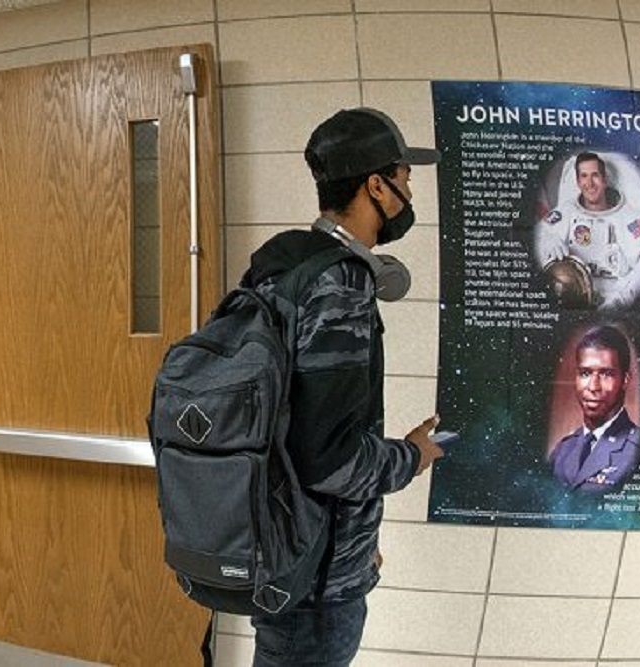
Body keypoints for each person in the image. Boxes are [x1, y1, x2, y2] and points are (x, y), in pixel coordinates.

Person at [240, 107, 445, 666]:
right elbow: (328, 461)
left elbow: (295, 426)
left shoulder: (281, 265)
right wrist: (412, 456)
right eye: (403, 177)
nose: (408, 192)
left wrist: (357, 545)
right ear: (376, 186)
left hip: (285, 553)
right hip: (315, 586)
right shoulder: (340, 283)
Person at [535, 152, 640, 309]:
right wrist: (547, 240)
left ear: (604, 179)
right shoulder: (565, 212)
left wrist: (624, 296)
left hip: (614, 300)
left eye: (595, 175)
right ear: (578, 182)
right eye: (584, 176)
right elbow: (539, 234)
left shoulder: (630, 218)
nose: (590, 183)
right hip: (572, 300)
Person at [549, 324, 640, 494]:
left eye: (606, 374)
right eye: (585, 373)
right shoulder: (562, 451)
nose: (593, 387)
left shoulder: (638, 450)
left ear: (625, 380)